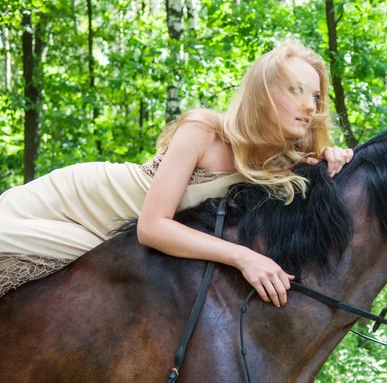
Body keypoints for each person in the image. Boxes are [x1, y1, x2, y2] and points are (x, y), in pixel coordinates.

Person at [0, 40, 353, 305]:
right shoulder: (204, 131)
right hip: (67, 202)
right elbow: (152, 227)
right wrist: (245, 258)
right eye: (295, 89)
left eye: (317, 97)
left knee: (107, 270)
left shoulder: (280, 164)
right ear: (263, 95)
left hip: (110, 237)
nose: (310, 105)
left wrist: (332, 155)